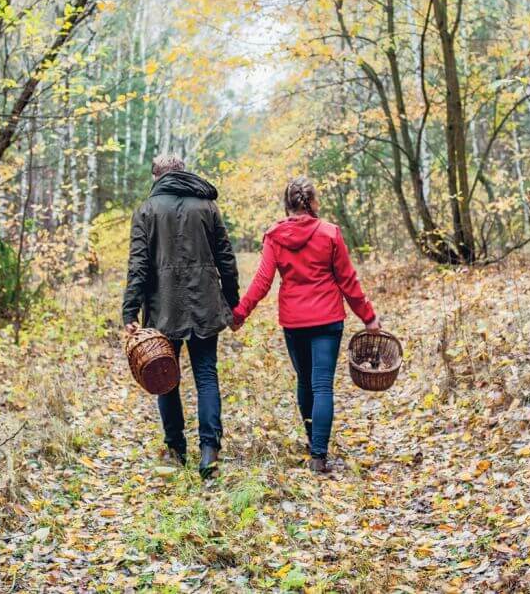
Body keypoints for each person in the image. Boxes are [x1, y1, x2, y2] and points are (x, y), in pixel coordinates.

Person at [231, 176, 380, 475]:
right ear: (312, 203)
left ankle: (314, 441)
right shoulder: (330, 234)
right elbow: (348, 281)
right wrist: (368, 316)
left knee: (304, 380)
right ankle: (318, 455)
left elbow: (262, 280)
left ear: (287, 204)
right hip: (327, 319)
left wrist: (240, 313)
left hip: (294, 321)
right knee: (322, 384)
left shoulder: (274, 236)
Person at [122, 155, 239, 478]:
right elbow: (226, 258)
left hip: (163, 308)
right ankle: (209, 451)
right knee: (206, 376)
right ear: (183, 173)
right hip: (205, 305)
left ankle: (175, 449)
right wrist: (232, 302)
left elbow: (138, 266)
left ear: (157, 176)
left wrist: (130, 310)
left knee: (164, 377)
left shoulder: (147, 211)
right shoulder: (207, 207)